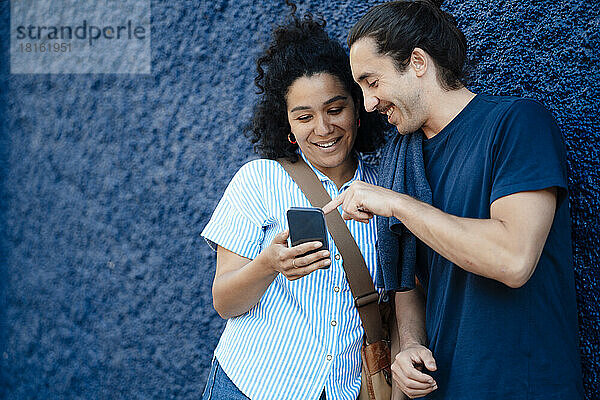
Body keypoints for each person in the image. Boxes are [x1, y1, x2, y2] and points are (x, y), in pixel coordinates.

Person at [321, 1, 584, 399]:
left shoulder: (516, 123)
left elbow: (513, 259)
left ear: (418, 62)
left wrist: (399, 205)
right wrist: (409, 344)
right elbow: (410, 278)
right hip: (447, 386)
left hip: (525, 382)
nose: (369, 104)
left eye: (372, 82)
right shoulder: (403, 157)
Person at [200, 10, 386, 400]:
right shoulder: (259, 179)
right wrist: (269, 265)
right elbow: (225, 301)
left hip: (341, 390)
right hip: (249, 387)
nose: (322, 128)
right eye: (304, 117)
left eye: (335, 110)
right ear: (286, 125)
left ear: (357, 104)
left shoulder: (386, 184)